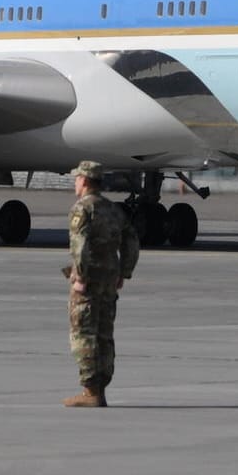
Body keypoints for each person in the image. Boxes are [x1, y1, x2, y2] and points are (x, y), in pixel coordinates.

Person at [61, 161, 140, 407]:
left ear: (84, 181)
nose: (76, 183)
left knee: (83, 333)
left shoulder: (82, 209)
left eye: (77, 179)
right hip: (109, 279)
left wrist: (81, 277)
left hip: (91, 279)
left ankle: (90, 391)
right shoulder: (113, 210)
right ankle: (100, 389)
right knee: (104, 334)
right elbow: (132, 241)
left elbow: (80, 246)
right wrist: (123, 272)